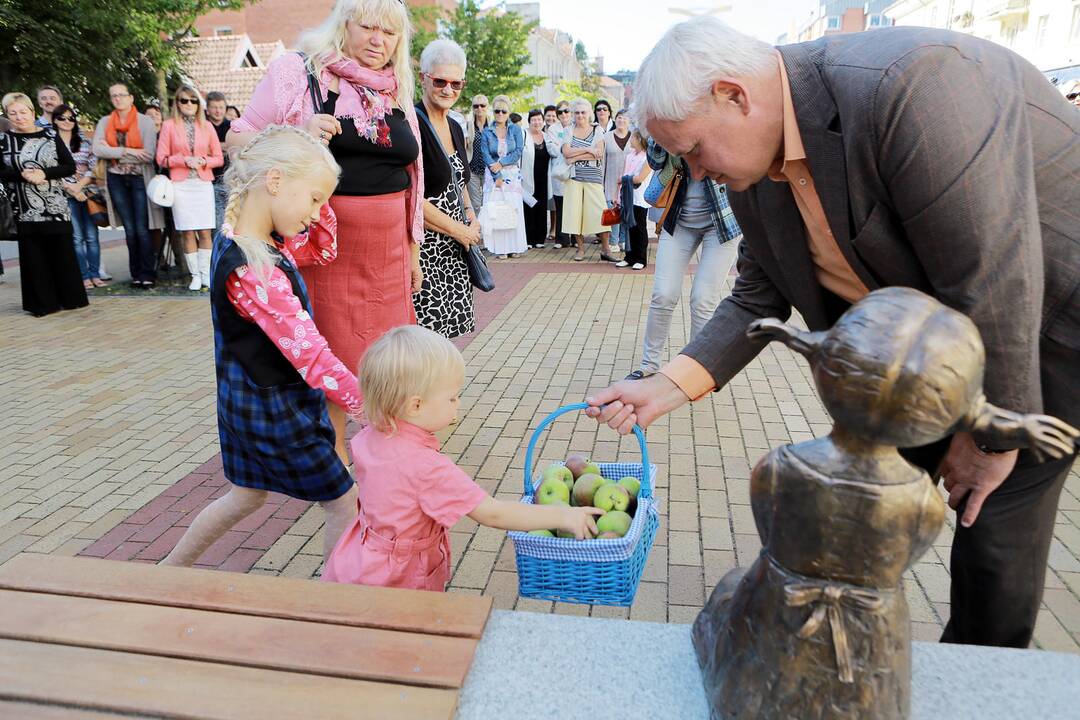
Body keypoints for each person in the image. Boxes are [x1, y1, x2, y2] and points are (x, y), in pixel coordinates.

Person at [589, 18, 1080, 650]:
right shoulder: (753, 172)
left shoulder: (913, 85)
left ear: (734, 95)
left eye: (692, 150)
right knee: (855, 516)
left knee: (991, 546)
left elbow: (992, 278)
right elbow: (755, 298)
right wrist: (666, 386)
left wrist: (987, 439)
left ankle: (978, 682)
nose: (697, 173)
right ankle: (846, 667)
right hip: (913, 365)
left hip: (1039, 342)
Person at [228, 0, 425, 467]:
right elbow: (238, 140)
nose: (379, 41)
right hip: (327, 253)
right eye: (368, 27)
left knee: (390, 361)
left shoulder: (396, 85)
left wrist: (413, 248)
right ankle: (336, 466)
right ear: (344, 24)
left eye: (391, 33)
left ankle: (386, 455)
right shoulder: (298, 72)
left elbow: (413, 177)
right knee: (334, 358)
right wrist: (297, 129)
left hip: (389, 254)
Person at [163, 125, 363, 568]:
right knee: (344, 501)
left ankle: (168, 571)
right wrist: (370, 405)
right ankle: (338, 603)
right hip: (277, 413)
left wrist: (317, 184)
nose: (316, 213)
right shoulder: (255, 270)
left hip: (244, 404)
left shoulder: (238, 237)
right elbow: (313, 359)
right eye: (314, 199)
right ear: (274, 181)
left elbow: (323, 251)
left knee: (246, 495)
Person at [322, 325, 604, 591]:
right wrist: (563, 515)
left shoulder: (370, 435)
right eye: (452, 397)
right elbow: (493, 513)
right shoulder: (427, 468)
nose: (459, 404)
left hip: (362, 558)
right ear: (416, 405)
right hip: (397, 578)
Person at [624, 139, 741, 380]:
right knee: (663, 294)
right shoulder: (668, 124)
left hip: (722, 223)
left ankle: (696, 371)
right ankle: (649, 363)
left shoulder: (719, 120)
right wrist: (661, 130)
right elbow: (655, 162)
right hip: (678, 219)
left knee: (702, 299)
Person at [0, 93, 88, 316]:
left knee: (63, 253)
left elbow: (69, 166)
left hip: (55, 205)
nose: (19, 117)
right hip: (23, 207)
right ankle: (42, 304)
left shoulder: (50, 135)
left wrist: (44, 173)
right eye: (13, 113)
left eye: (23, 112)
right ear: (7, 116)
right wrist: (23, 175)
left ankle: (70, 300)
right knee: (33, 257)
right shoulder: (3, 140)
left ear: (32, 112)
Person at [414, 38, 478, 339]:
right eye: (440, 81)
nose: (448, 90)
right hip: (425, 252)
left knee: (449, 338)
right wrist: (459, 229)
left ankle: (444, 387)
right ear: (423, 78)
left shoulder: (454, 124)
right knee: (425, 339)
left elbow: (459, 178)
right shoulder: (411, 124)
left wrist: (470, 213)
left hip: (455, 250)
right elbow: (411, 200)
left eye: (457, 84)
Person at [157, 85, 224, 291]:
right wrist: (184, 160)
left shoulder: (207, 126)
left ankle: (206, 275)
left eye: (193, 101)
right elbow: (161, 158)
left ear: (198, 104)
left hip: (203, 184)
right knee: (187, 231)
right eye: (184, 100)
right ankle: (195, 275)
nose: (189, 104)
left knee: (205, 231)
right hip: (181, 184)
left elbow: (219, 158)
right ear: (177, 103)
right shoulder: (168, 126)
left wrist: (204, 161)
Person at [93, 82, 160, 288]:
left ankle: (147, 273)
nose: (118, 99)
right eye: (114, 96)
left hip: (140, 178)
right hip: (116, 179)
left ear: (131, 98)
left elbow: (148, 154)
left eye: (122, 95)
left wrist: (112, 149)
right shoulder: (105, 122)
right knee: (129, 229)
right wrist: (129, 152)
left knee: (142, 228)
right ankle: (136, 273)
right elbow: (97, 149)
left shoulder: (145, 122)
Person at [53, 103, 106, 289]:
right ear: (54, 120)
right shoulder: (50, 143)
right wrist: (71, 188)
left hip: (87, 193)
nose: (67, 121)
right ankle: (83, 276)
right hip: (64, 194)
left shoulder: (84, 141)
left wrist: (79, 186)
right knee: (76, 237)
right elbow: (52, 171)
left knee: (92, 236)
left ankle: (95, 274)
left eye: (71, 118)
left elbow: (94, 168)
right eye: (62, 118)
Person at [561, 98, 616, 263]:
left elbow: (598, 152)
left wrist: (576, 155)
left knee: (603, 212)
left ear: (589, 114)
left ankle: (606, 249)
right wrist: (587, 150)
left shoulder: (597, 130)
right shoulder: (568, 130)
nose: (580, 115)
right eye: (577, 112)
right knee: (575, 214)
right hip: (574, 178)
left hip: (594, 177)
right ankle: (580, 248)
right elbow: (566, 153)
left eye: (583, 112)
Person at [480, 94, 527, 259]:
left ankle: (514, 246)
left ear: (509, 112)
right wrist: (497, 173)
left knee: (512, 208)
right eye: (497, 111)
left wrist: (502, 163)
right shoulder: (487, 132)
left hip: (512, 174)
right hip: (494, 175)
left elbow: (518, 151)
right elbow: (485, 154)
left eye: (504, 111)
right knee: (497, 209)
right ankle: (500, 248)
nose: (500, 114)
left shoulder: (516, 129)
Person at [614, 130, 651, 270]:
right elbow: (624, 175)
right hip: (627, 197)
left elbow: (640, 178)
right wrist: (617, 195)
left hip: (640, 197)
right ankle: (629, 257)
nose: (630, 140)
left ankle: (641, 258)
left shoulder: (647, 158)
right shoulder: (629, 156)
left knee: (639, 228)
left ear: (639, 139)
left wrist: (623, 180)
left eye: (633, 137)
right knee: (628, 227)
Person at [602, 109, 632, 249]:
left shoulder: (634, 138)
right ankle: (613, 242)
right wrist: (600, 183)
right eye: (619, 118)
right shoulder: (606, 137)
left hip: (628, 182)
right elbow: (602, 162)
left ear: (629, 121)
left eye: (625, 118)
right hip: (610, 181)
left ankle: (623, 239)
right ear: (615, 119)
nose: (621, 121)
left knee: (626, 211)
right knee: (613, 211)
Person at [521, 109, 550, 248]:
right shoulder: (523, 135)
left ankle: (540, 239)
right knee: (528, 206)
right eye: (534, 119)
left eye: (539, 119)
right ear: (529, 121)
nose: (537, 122)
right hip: (527, 176)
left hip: (543, 178)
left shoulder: (547, 136)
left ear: (543, 121)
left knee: (541, 206)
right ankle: (528, 239)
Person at [546, 100, 573, 249]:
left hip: (573, 169)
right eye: (560, 112)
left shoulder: (575, 127)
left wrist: (563, 147)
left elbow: (575, 147)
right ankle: (562, 239)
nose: (564, 114)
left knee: (574, 205)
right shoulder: (552, 129)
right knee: (560, 205)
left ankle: (576, 238)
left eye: (566, 111)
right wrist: (566, 149)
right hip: (559, 171)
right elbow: (553, 149)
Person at [205, 91, 231, 232]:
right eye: (214, 107)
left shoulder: (232, 126)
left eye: (221, 107)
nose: (218, 111)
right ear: (207, 109)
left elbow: (235, 146)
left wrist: (213, 148)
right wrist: (223, 146)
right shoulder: (203, 126)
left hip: (229, 180)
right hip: (209, 180)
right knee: (217, 222)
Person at [465, 93, 490, 218]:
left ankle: (488, 230)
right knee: (475, 203)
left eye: (482, 105)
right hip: (473, 168)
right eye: (476, 106)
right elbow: (464, 147)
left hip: (489, 170)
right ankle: (477, 232)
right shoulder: (468, 125)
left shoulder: (493, 125)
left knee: (488, 202)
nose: (479, 108)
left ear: (487, 106)